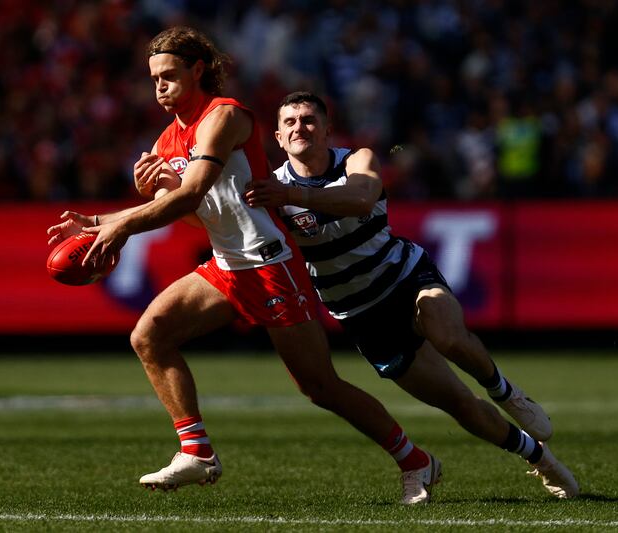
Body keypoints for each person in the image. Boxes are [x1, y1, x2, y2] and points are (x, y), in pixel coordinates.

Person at [46, 27, 441, 505]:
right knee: (149, 335)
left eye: (169, 75)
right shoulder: (169, 138)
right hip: (228, 263)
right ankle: (196, 453)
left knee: (320, 387)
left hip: (272, 262)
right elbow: (196, 213)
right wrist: (116, 213)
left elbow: (192, 194)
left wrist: (117, 223)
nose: (160, 87)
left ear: (197, 70)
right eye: (154, 79)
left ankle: (416, 461)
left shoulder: (225, 116)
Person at [241, 91, 580, 499]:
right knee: (459, 405)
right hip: (361, 314)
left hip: (404, 277)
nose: (300, 127)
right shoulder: (271, 189)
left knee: (447, 333)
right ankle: (541, 460)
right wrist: (171, 186)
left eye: (309, 120)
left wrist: (296, 197)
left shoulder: (355, 160)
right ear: (278, 137)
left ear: (328, 131)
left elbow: (362, 197)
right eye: (290, 122)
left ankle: (505, 391)